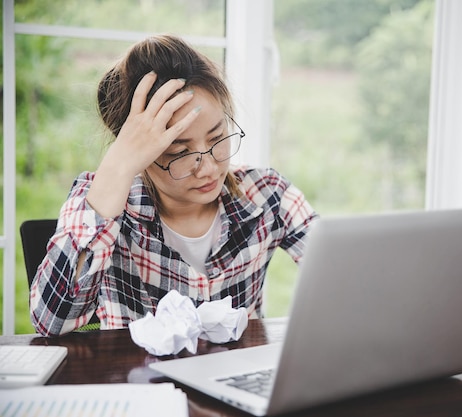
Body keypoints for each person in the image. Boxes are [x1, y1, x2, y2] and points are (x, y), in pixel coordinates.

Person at [30, 34, 318, 337]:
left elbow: (350, 279)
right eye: (180, 153)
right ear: (139, 152)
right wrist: (118, 166)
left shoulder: (266, 192)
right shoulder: (102, 198)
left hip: (235, 377)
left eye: (218, 138)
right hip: (142, 381)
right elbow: (51, 323)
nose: (207, 168)